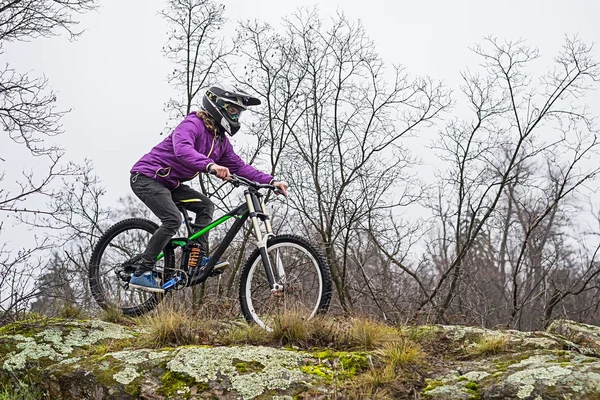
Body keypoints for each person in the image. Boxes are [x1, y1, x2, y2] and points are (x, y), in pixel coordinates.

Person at [128, 83, 288, 293]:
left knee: (206, 206)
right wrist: (210, 165)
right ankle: (141, 273)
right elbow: (182, 149)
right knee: (172, 219)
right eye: (232, 110)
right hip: (147, 177)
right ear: (217, 105)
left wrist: (271, 181)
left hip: (170, 184)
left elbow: (239, 167)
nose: (236, 116)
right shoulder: (193, 123)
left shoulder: (220, 141)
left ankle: (197, 258)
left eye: (238, 112)